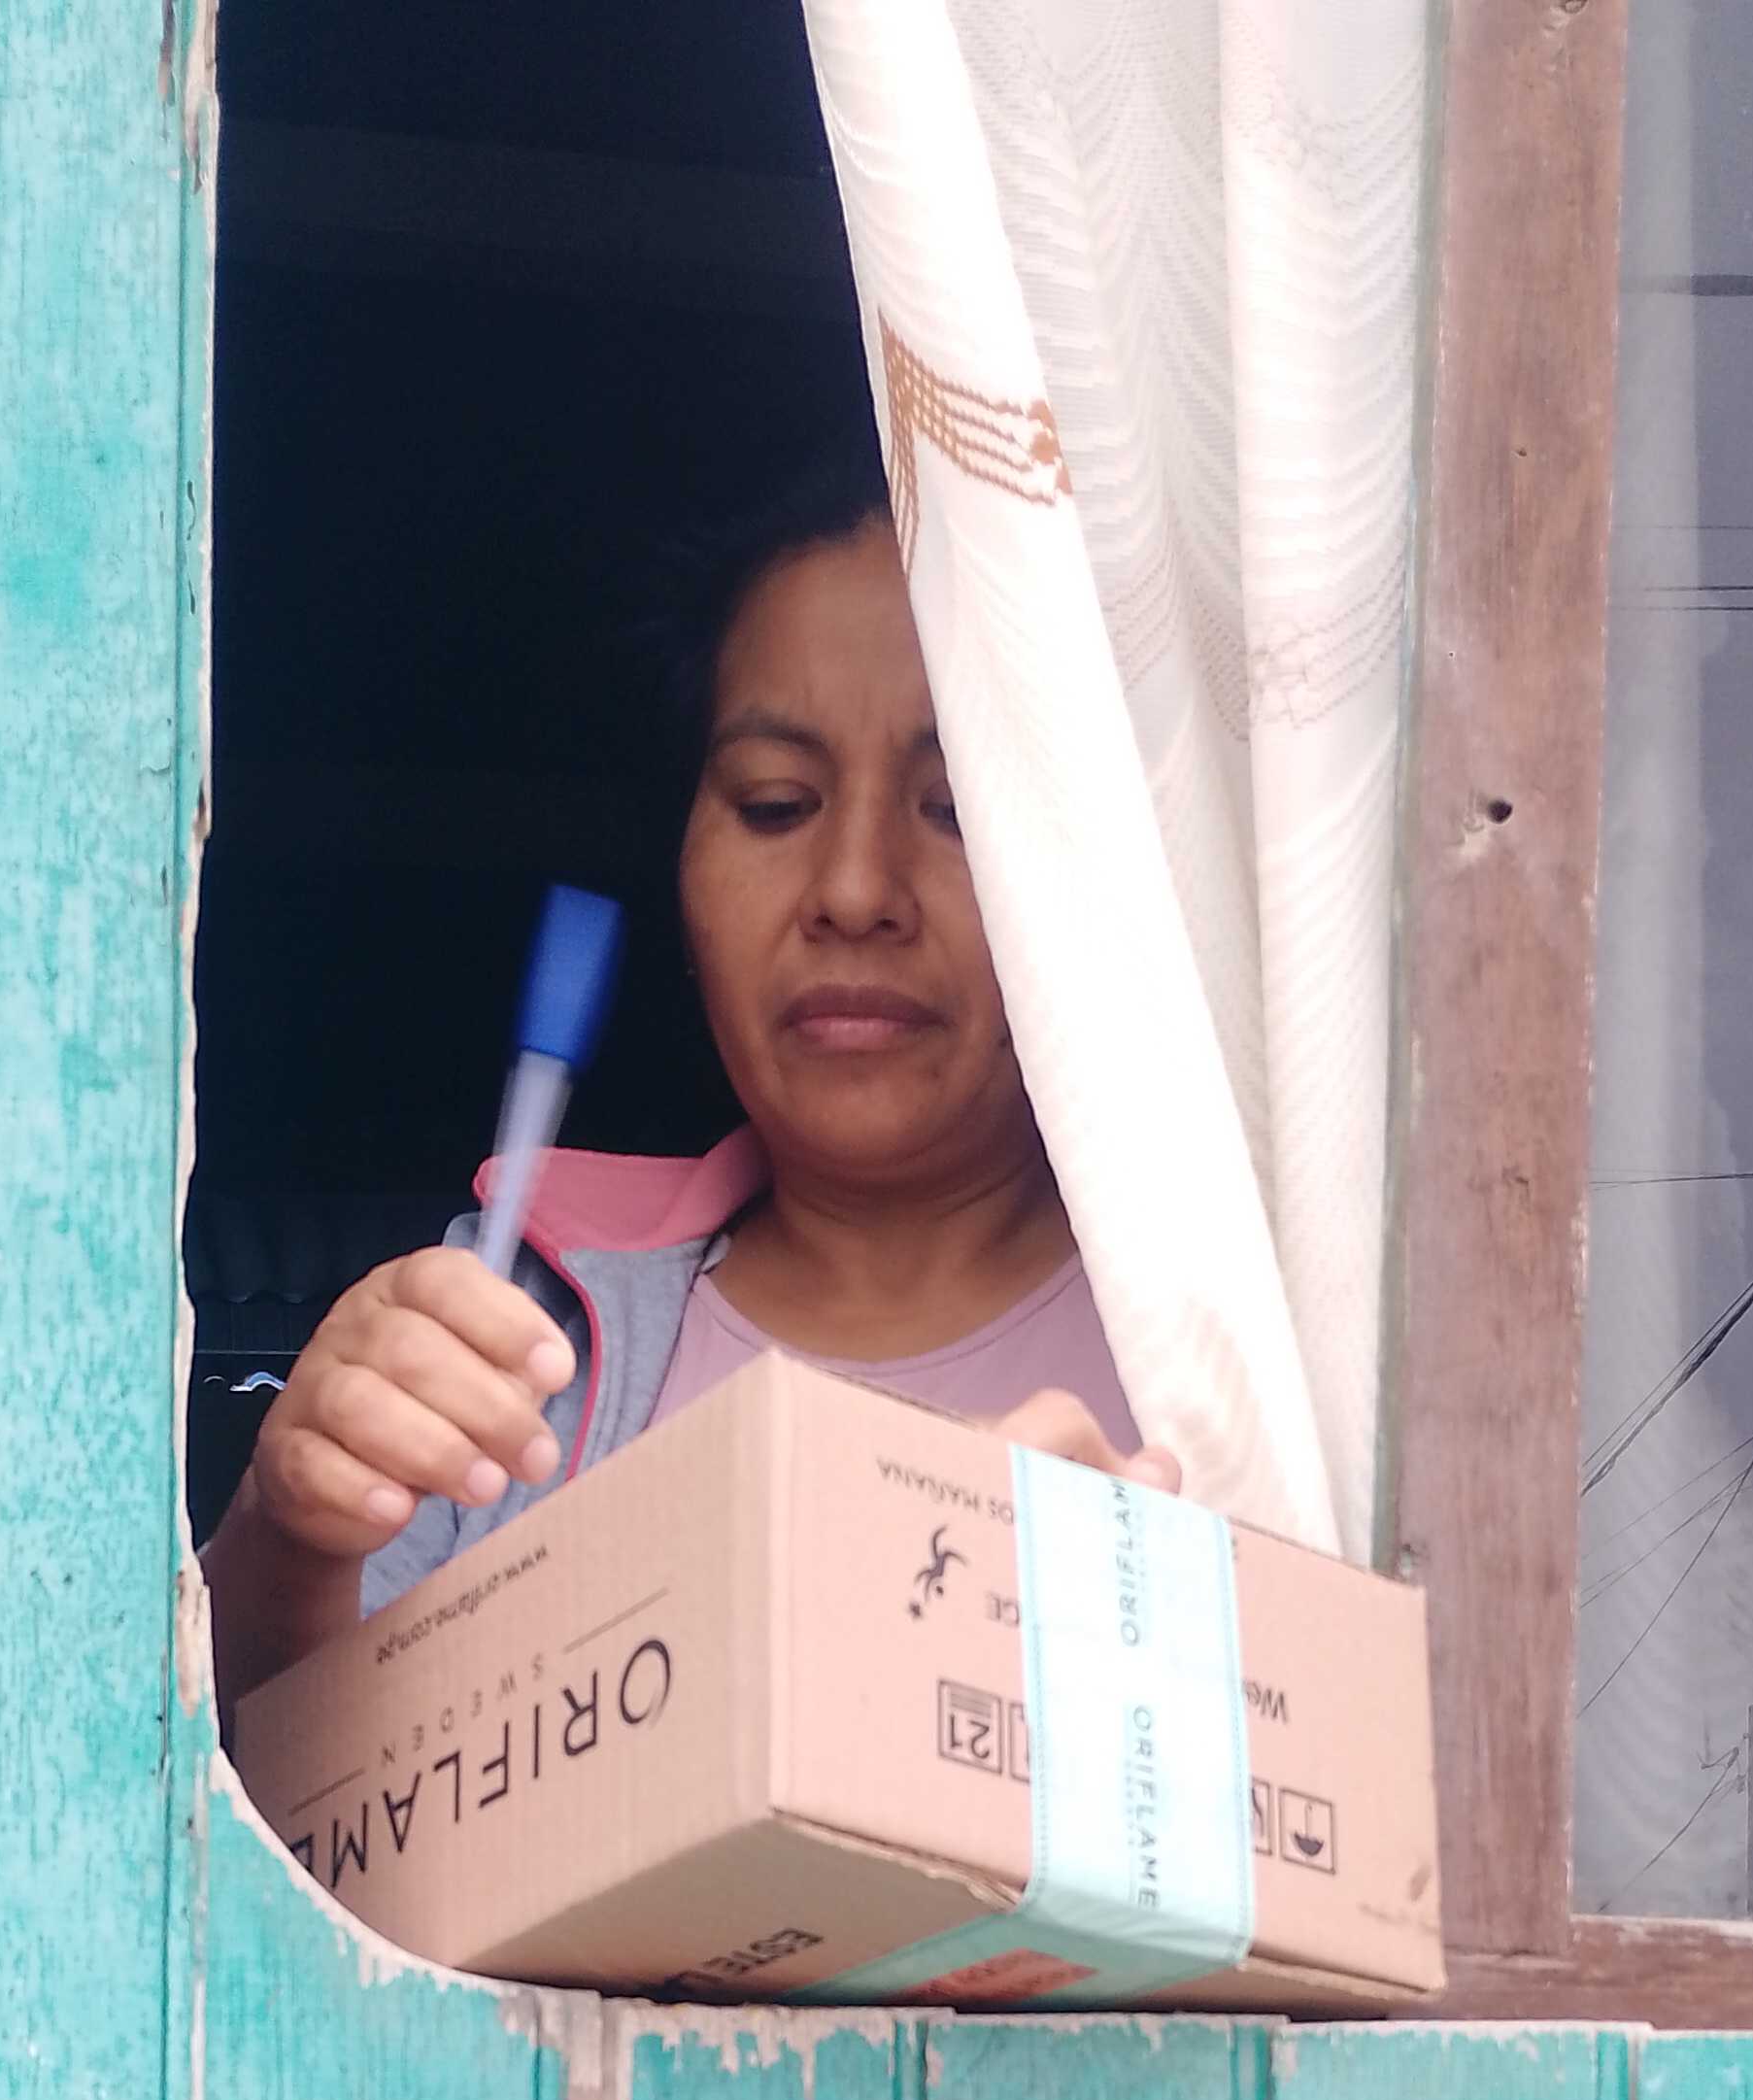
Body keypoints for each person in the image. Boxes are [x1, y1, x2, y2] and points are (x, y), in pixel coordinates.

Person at [203, 448, 1174, 1702]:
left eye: (956, 804)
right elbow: (265, 1793)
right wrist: (287, 1543)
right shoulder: (510, 1321)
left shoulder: (1244, 1357)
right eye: (776, 803)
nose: (855, 891)